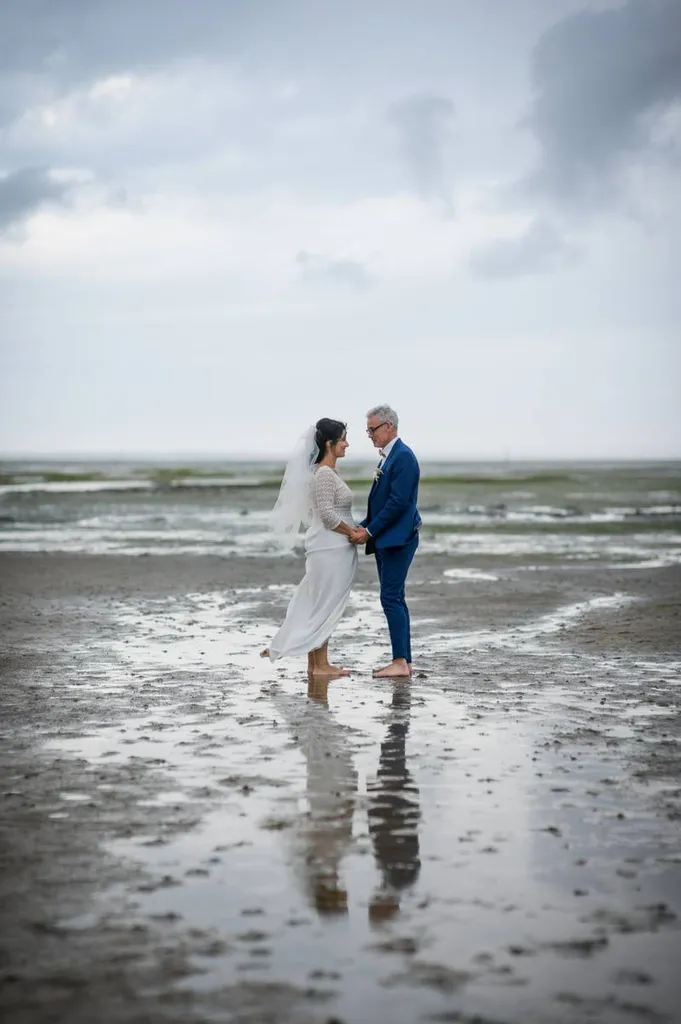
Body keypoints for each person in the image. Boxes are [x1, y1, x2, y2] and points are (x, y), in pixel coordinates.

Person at [263, 418, 358, 677]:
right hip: (330, 548)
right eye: (343, 439)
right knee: (325, 604)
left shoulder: (324, 473)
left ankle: (316, 664)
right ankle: (320, 666)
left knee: (320, 602)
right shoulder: (325, 474)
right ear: (330, 444)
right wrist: (354, 533)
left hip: (331, 547)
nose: (347, 444)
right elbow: (327, 515)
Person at [350, 405, 421, 678]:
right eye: (367, 429)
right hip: (388, 538)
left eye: (373, 429)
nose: (369, 434)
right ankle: (404, 662)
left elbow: (397, 503)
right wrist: (364, 526)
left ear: (389, 426)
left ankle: (400, 662)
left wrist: (368, 532)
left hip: (398, 540)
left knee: (391, 598)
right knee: (395, 598)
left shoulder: (403, 457)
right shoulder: (388, 457)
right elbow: (382, 505)